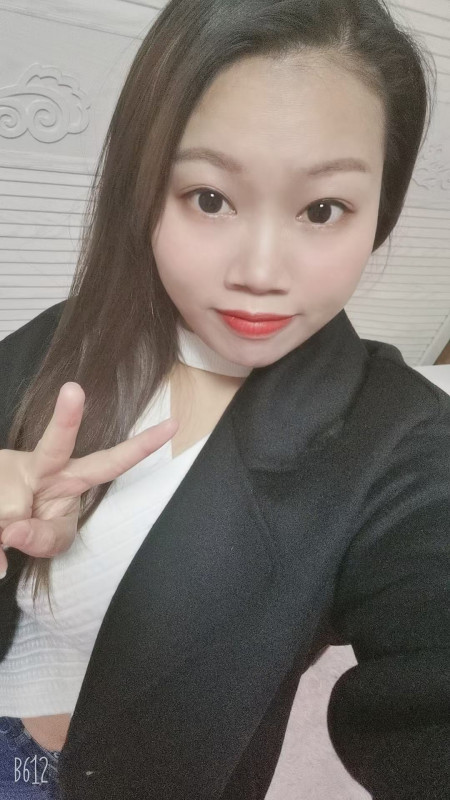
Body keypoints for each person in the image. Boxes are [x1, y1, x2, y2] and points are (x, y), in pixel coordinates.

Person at [0, 0, 448, 797]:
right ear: (146, 186)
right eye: (210, 198)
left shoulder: (397, 444)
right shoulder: (69, 335)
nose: (260, 272)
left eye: (322, 210)